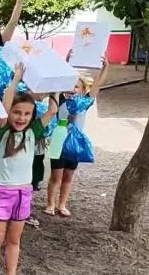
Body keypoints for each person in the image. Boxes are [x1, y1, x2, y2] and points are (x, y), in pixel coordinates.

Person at [0, 64, 57, 275]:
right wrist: (15, 81)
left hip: (23, 193)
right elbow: (3, 111)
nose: (21, 117)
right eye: (17, 112)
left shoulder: (33, 131)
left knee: (14, 240)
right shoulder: (1, 131)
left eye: (26, 113)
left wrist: (56, 85)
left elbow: (53, 110)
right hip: (2, 192)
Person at [45, 56, 109, 216]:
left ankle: (62, 204)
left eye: (76, 87)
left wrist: (105, 68)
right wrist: (66, 62)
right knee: (56, 175)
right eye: (69, 86)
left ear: (82, 90)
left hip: (75, 143)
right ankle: (50, 203)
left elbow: (98, 85)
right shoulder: (60, 100)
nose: (71, 89)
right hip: (59, 140)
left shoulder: (84, 103)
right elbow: (59, 83)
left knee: (68, 175)